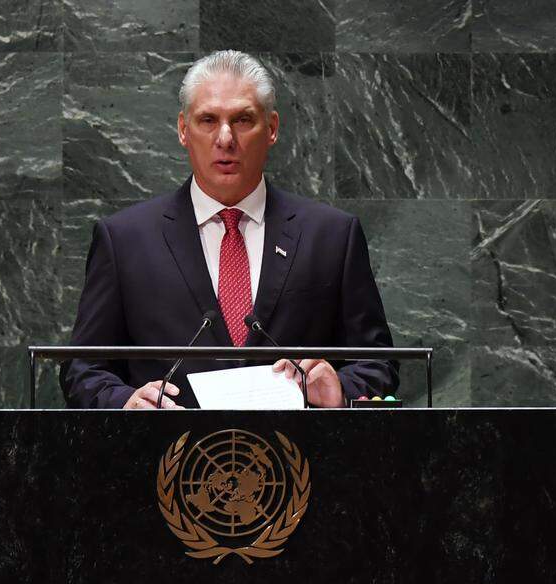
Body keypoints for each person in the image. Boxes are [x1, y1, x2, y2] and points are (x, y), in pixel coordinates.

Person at [60, 50, 397, 409]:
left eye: (242, 120)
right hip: (167, 458)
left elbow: (377, 363)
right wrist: (125, 401)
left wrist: (339, 387)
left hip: (299, 459)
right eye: (208, 120)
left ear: (271, 129)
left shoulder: (331, 236)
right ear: (183, 129)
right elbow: (83, 368)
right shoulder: (125, 240)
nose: (225, 138)